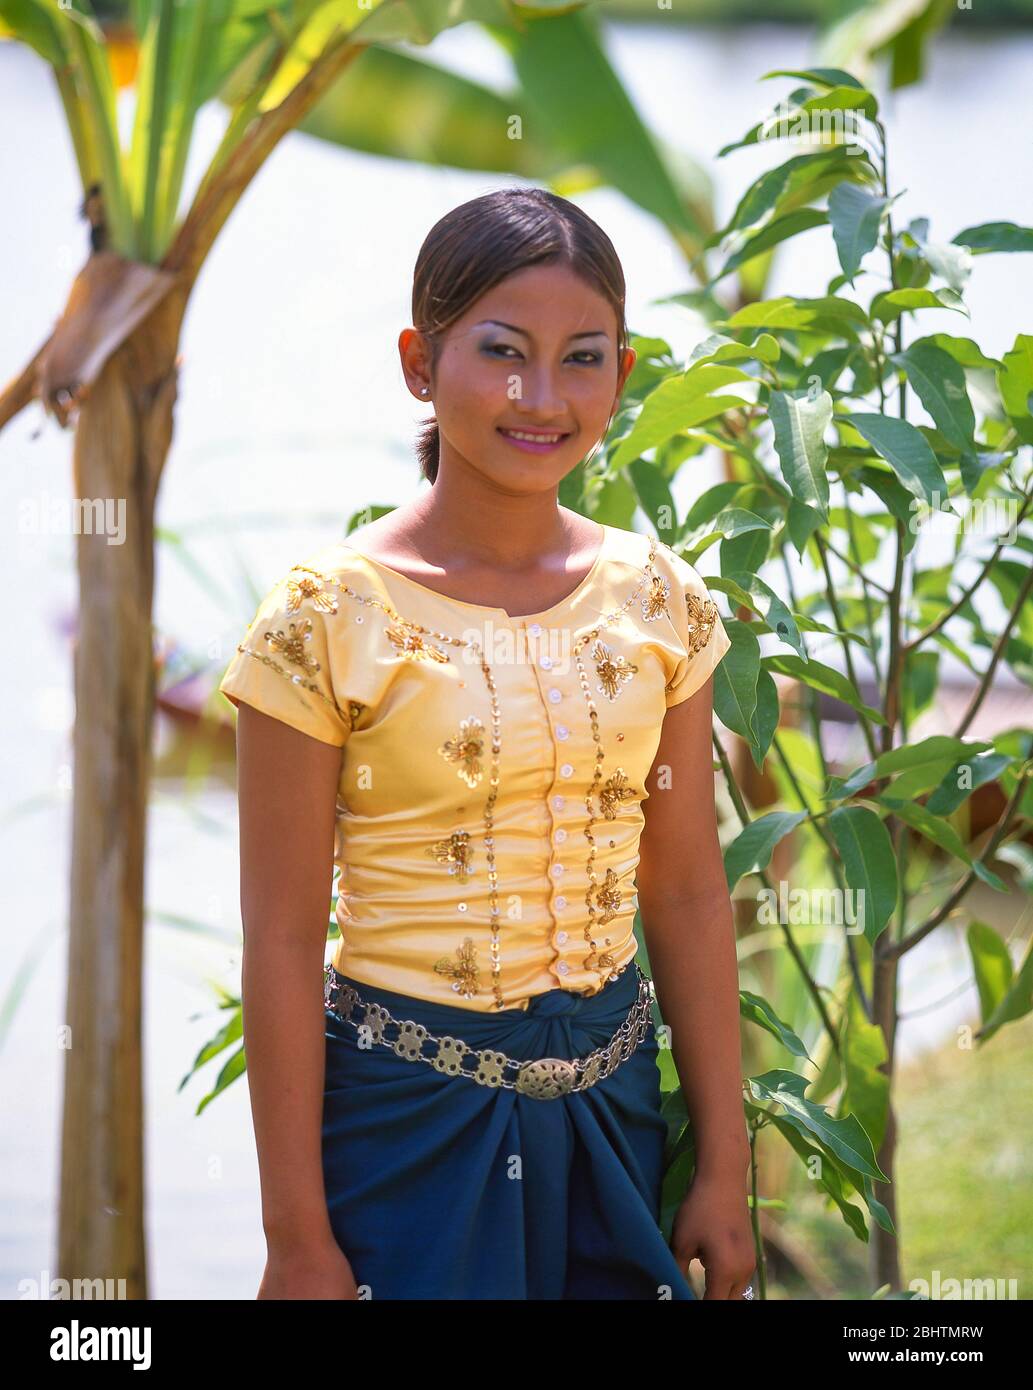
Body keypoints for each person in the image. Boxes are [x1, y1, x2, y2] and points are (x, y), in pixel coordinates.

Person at [218, 187, 754, 1301]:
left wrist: (726, 1168)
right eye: (503, 352)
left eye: (585, 357)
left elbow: (691, 891)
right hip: (404, 1123)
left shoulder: (661, 602)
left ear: (626, 368)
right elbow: (278, 938)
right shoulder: (323, 620)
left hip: (616, 1111)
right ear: (421, 361)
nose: (543, 397)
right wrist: (296, 1239)